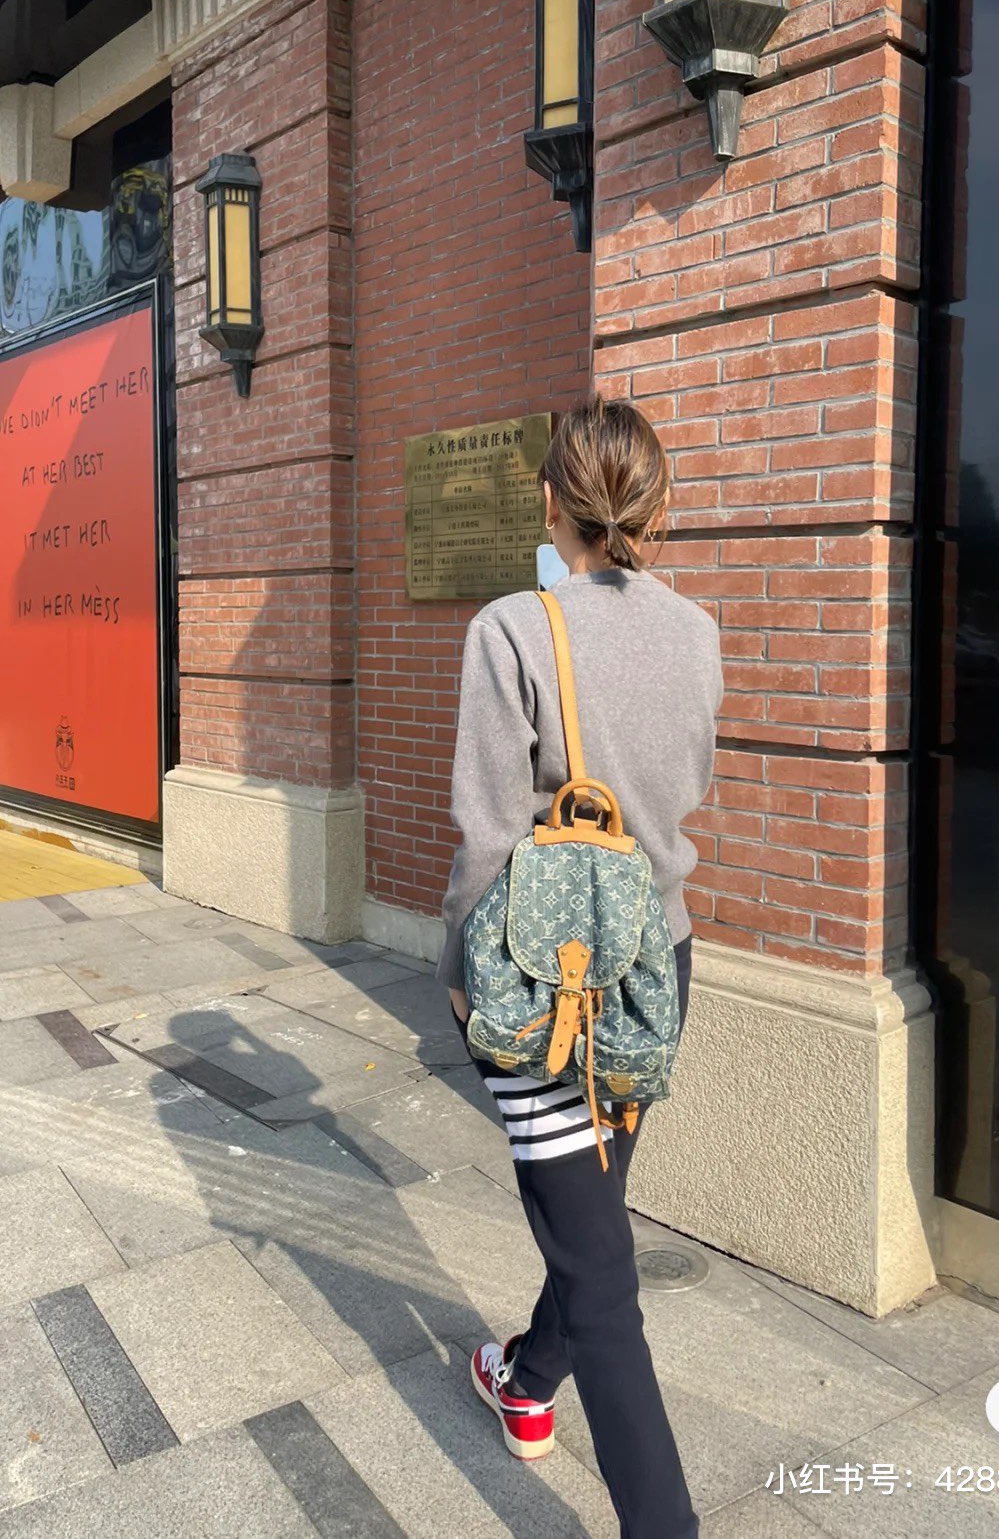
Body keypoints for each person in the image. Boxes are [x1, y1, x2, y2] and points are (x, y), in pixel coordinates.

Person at [436, 397, 723, 1539]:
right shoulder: (697, 633)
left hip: (547, 982)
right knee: (591, 1218)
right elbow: (685, 788)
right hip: (658, 969)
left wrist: (459, 975)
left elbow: (486, 834)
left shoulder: (512, 628)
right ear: (655, 509)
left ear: (551, 501)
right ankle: (525, 1381)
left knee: (600, 1273)